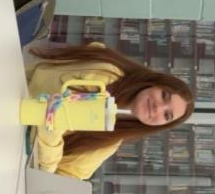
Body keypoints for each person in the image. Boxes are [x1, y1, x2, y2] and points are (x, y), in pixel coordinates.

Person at [26, 40, 195, 179]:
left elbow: (61, 178)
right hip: (16, 97)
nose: (158, 107)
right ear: (154, 83)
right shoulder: (105, 74)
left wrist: (51, 131)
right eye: (164, 95)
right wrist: (51, 132)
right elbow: (45, 104)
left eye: (167, 115)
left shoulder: (109, 142)